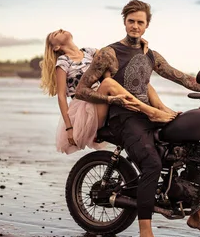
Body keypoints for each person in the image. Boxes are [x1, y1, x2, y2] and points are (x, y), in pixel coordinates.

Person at [75, 0, 200, 237]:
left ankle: (196, 215)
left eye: (140, 22)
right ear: (124, 21)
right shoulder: (109, 53)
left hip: (147, 116)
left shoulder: (151, 55)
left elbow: (183, 78)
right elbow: (82, 90)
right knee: (152, 164)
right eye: (131, 21)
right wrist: (109, 100)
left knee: (194, 153)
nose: (135, 26)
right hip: (122, 118)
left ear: (147, 26)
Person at [39, 29, 176, 154]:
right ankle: (150, 112)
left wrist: (136, 44)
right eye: (55, 34)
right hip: (85, 110)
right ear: (56, 47)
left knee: (139, 80)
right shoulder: (63, 62)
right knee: (108, 83)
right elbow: (62, 97)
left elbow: (115, 54)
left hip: (102, 101)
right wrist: (69, 128)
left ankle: (161, 107)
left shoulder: (89, 52)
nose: (60, 30)